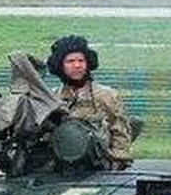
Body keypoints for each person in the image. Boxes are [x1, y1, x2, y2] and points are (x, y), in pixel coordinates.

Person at [46, 35, 132, 169]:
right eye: (70, 61)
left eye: (81, 60)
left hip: (100, 167)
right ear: (60, 66)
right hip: (61, 168)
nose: (77, 65)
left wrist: (116, 164)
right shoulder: (53, 98)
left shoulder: (106, 96)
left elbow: (120, 133)